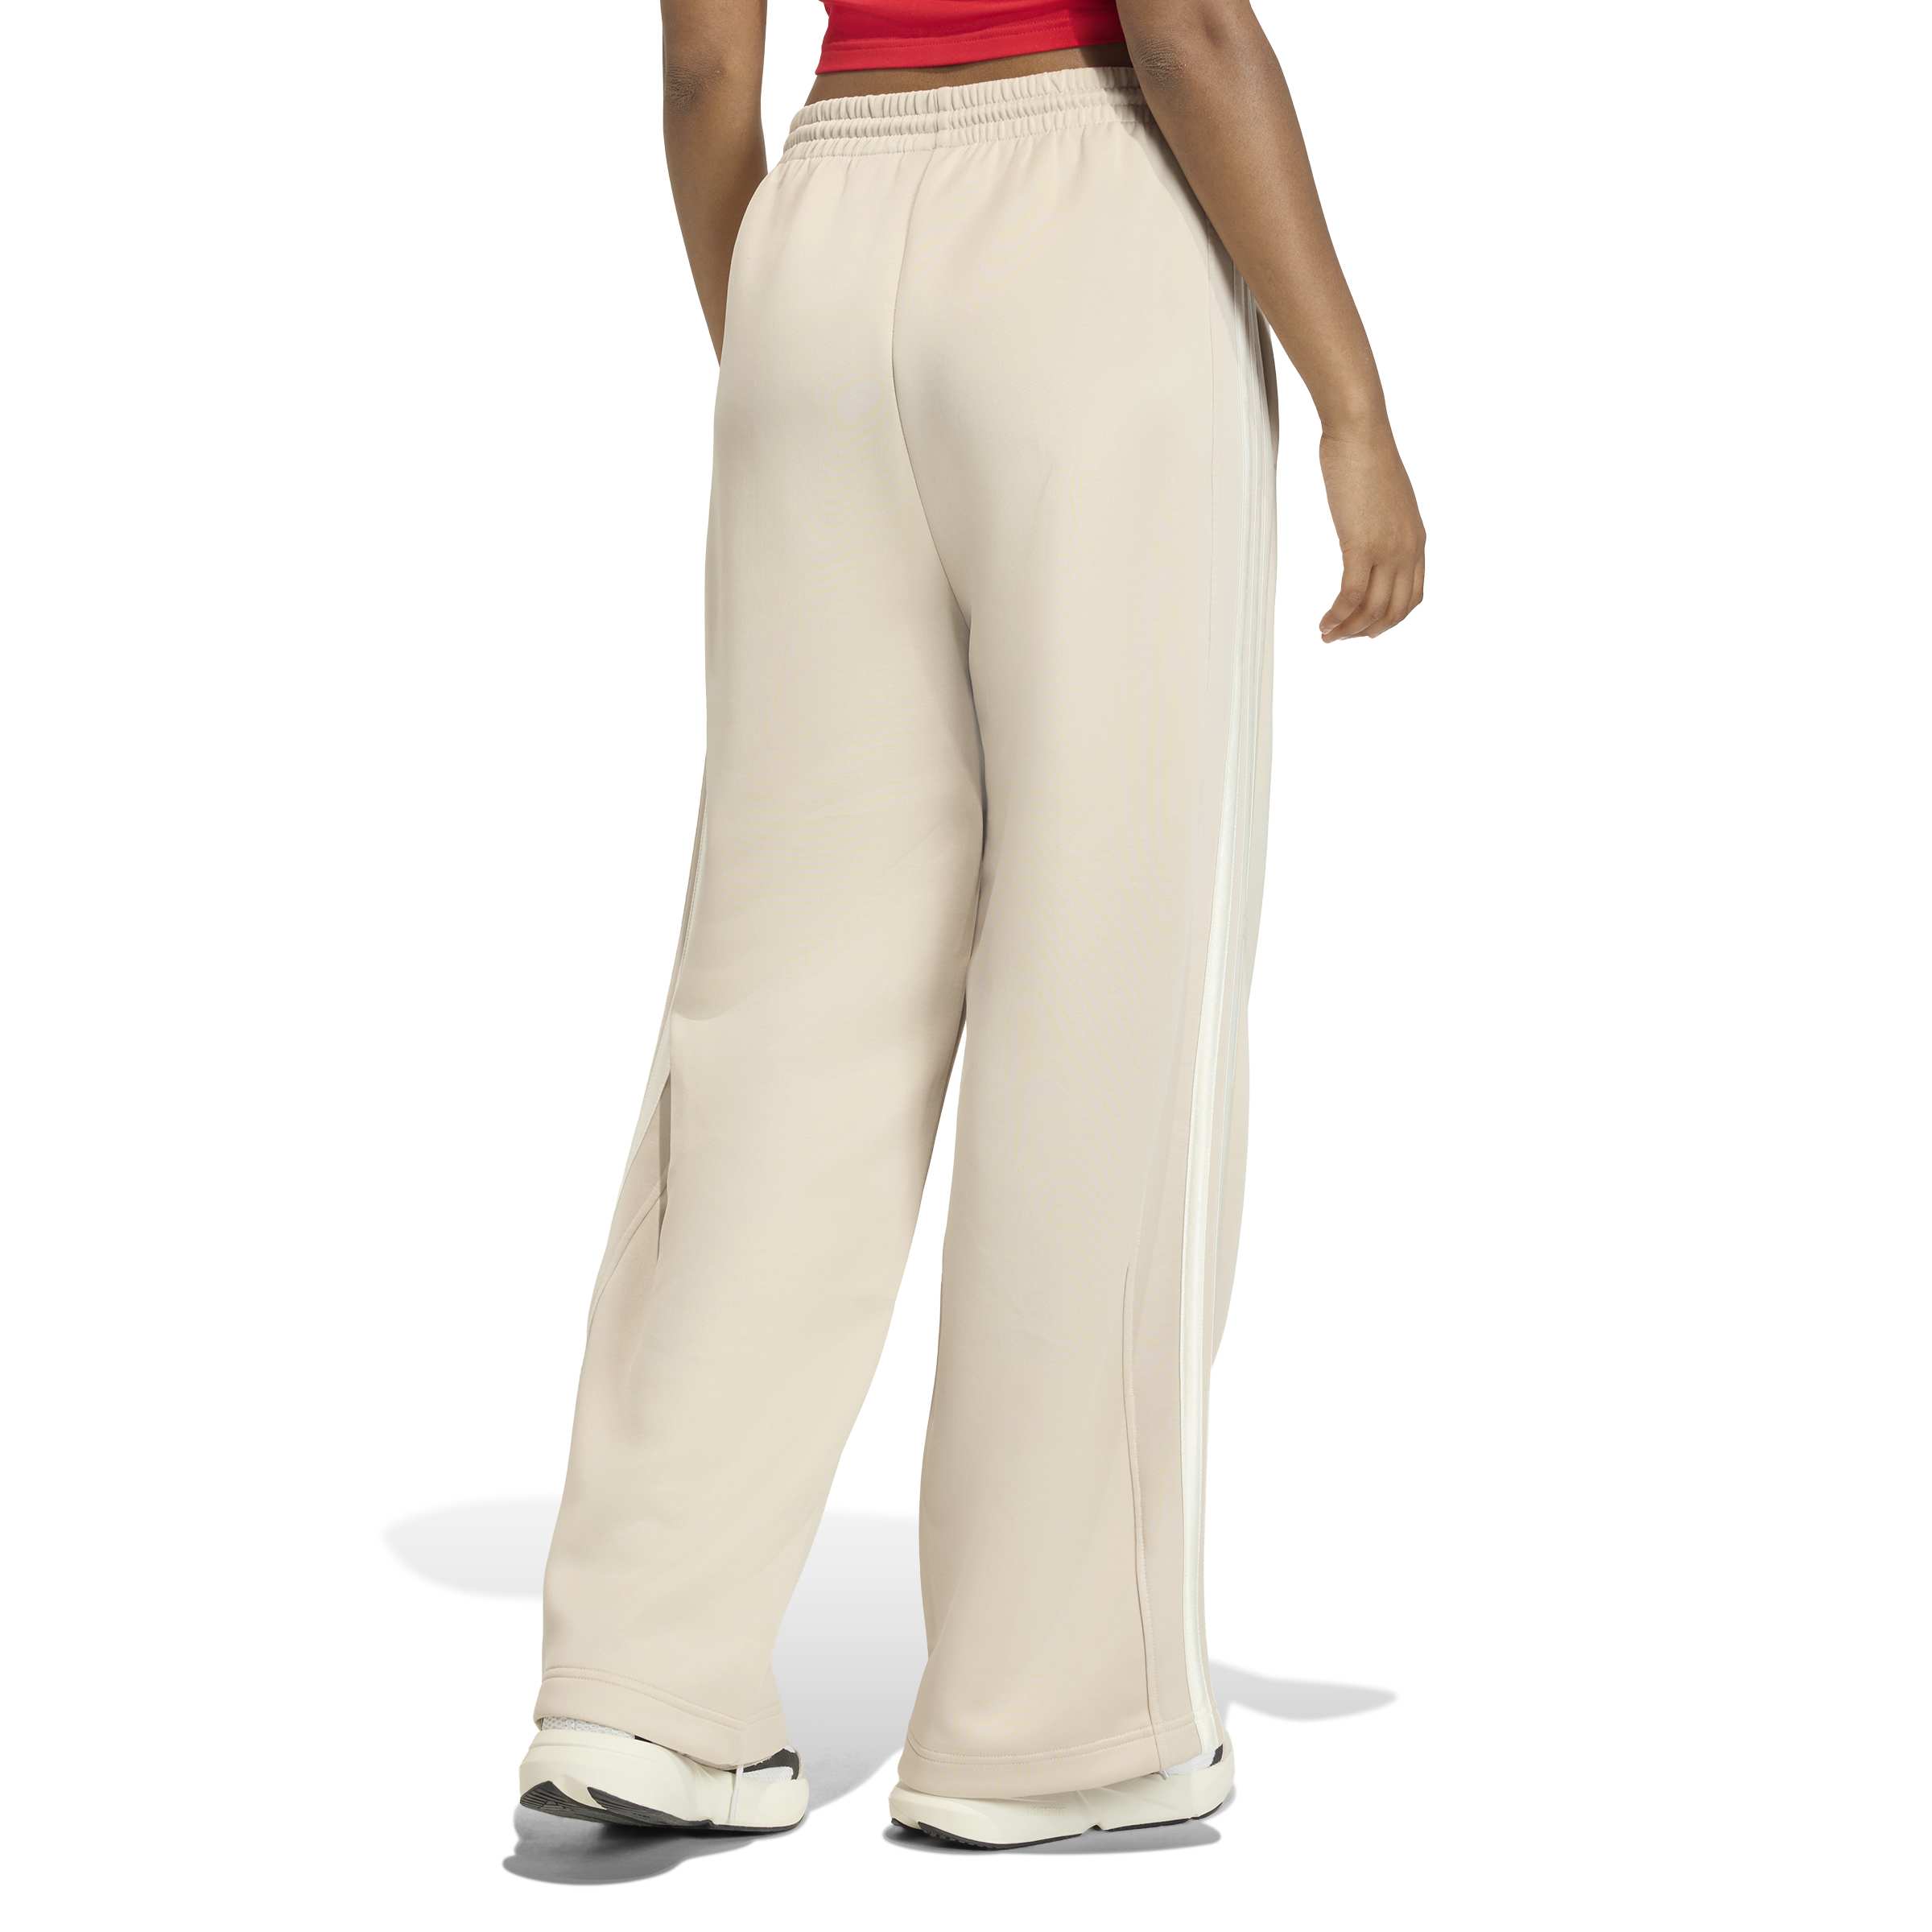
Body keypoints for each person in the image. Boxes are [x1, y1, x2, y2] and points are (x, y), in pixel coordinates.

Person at [518, 0, 1424, 1850]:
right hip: (1091, 219)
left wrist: (805, 364)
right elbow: (1186, 30)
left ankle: (643, 1684)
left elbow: (704, 76)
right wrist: (1356, 406)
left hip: (816, 244)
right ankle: (1054, 1722)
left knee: (778, 1007)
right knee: (1108, 986)